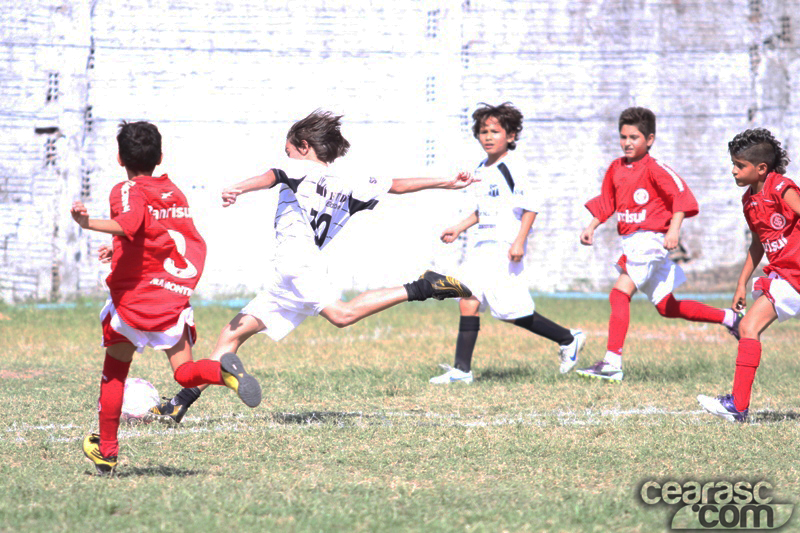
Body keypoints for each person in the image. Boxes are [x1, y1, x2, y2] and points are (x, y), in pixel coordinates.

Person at [148, 110, 474, 423]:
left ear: (304, 148)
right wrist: (448, 181)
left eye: (289, 151)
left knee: (341, 315)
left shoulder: (299, 169)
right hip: (289, 273)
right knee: (231, 335)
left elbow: (270, 176)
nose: (286, 157)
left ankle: (422, 286)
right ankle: (179, 404)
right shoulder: (350, 181)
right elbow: (397, 184)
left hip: (297, 264)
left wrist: (238, 188)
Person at [73, 121, 260, 475]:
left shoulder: (126, 188)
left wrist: (88, 223)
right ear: (160, 156)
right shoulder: (173, 191)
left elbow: (130, 224)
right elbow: (155, 236)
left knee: (114, 375)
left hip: (135, 301)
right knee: (186, 373)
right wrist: (117, 251)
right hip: (170, 297)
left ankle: (107, 452)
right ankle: (224, 373)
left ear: (118, 157)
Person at [576, 107, 742, 382]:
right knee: (666, 307)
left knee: (619, 294)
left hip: (650, 241)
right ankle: (730, 319)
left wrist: (673, 231)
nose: (627, 142)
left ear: (649, 139)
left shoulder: (655, 169)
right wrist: (591, 226)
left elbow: (681, 197)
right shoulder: (616, 168)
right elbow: (607, 201)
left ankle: (612, 362)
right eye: (623, 137)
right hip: (631, 242)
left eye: (634, 137)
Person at [429, 102, 586, 385]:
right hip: (481, 247)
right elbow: (484, 210)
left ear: (511, 136)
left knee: (511, 312)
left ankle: (568, 338)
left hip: (503, 248)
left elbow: (531, 206)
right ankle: (462, 371)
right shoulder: (480, 168)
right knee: (467, 299)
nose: (488, 136)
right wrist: (458, 227)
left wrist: (519, 242)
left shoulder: (512, 167)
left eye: (495, 131)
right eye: (483, 131)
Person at [698, 128, 794, 422]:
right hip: (786, 279)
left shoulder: (780, 187)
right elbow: (758, 243)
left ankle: (738, 406)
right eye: (734, 163)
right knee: (748, 327)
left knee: (748, 328)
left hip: (795, 276)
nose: (733, 170)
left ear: (761, 168)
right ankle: (738, 406)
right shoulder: (749, 201)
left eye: (739, 165)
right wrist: (741, 283)